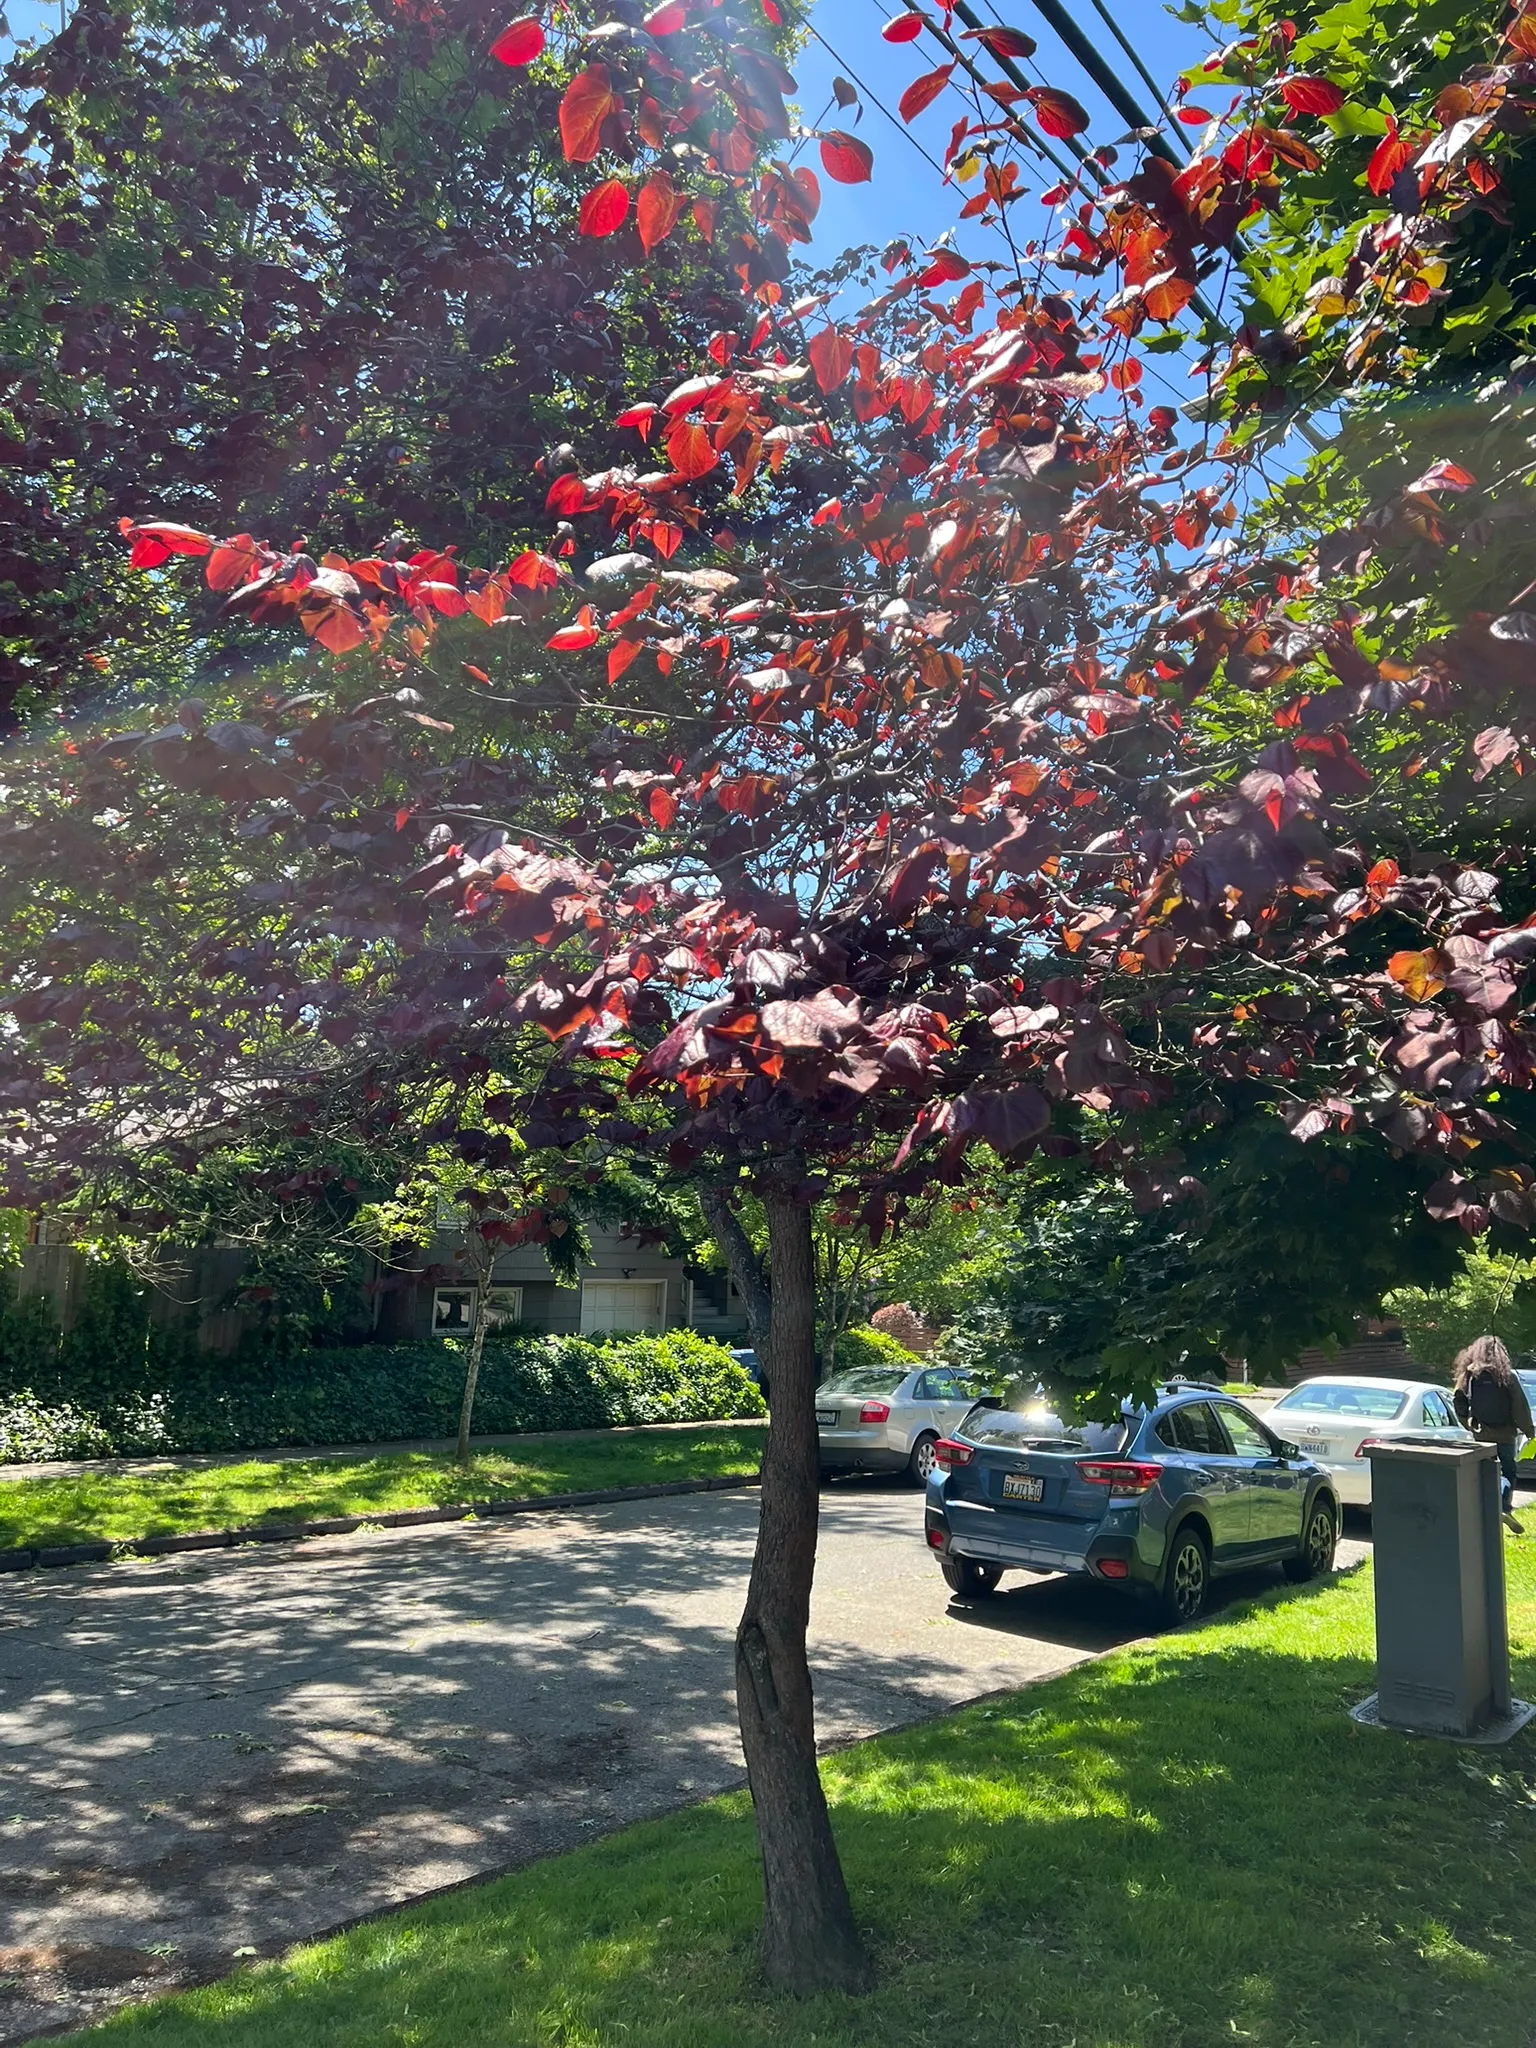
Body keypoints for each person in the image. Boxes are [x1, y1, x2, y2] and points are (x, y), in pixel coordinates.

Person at [1451, 1335, 1534, 1532]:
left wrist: (1469, 1424)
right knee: (1507, 1472)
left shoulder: (1469, 1375)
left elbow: (1458, 1400)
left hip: (1481, 1436)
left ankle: (1483, 1511)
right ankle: (1503, 1507)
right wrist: (1529, 1431)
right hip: (1505, 1435)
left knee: (1482, 1474)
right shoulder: (1506, 1376)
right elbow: (1519, 1407)